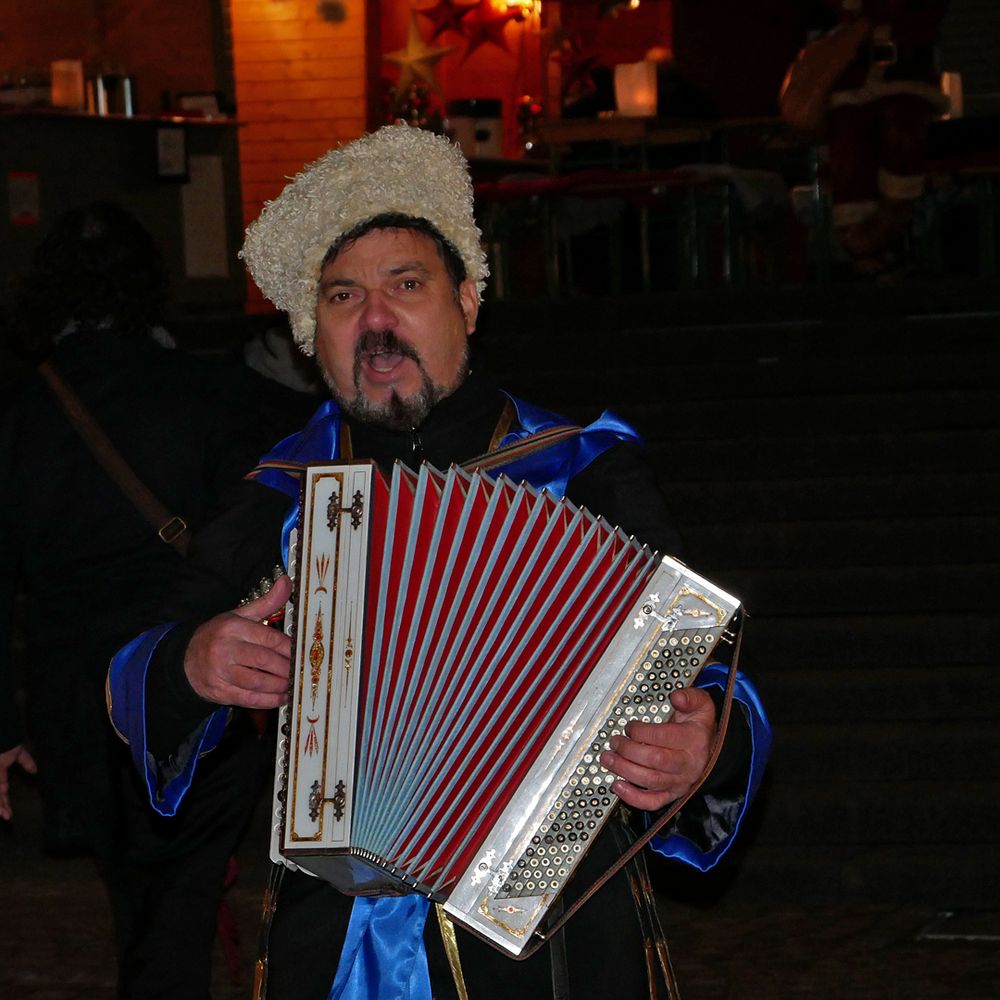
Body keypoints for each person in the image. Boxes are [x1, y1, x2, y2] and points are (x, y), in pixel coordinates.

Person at [107, 125, 771, 1000]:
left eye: (406, 286)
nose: (375, 321)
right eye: (344, 297)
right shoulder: (285, 489)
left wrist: (706, 748)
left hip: (549, 934)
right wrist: (195, 663)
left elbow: (712, 675)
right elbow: (138, 663)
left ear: (467, 302)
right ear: (315, 334)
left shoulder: (583, 466)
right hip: (336, 935)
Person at [0, 201, 301, 998]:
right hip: (193, 681)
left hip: (74, 697)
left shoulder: (17, 411)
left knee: (139, 896)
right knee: (181, 897)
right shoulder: (210, 392)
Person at [823, 0, 951, 273]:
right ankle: (866, 250)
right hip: (853, 78)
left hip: (905, 73)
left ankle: (886, 231)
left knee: (902, 142)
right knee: (850, 163)